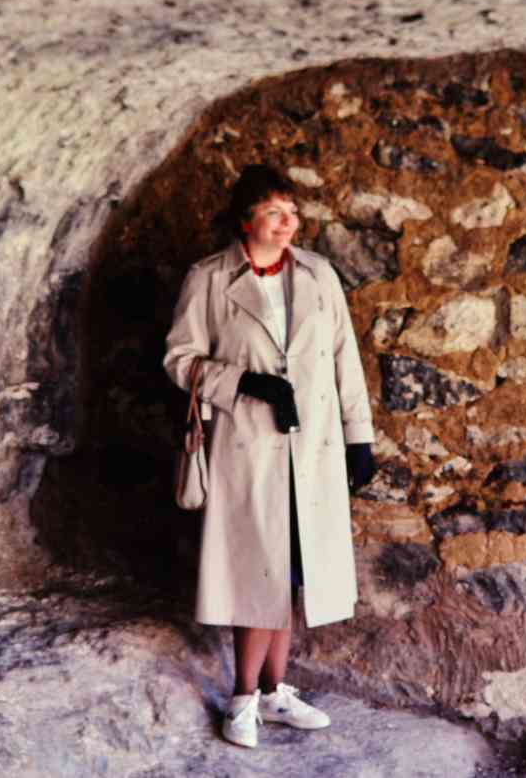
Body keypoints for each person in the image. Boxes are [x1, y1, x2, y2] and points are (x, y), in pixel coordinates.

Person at [162, 164, 377, 749]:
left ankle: (276, 691)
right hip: (247, 446)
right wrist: (245, 384)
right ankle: (243, 697)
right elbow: (179, 359)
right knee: (259, 570)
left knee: (292, 574)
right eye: (276, 213)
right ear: (246, 220)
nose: (289, 224)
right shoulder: (208, 279)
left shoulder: (318, 275)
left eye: (294, 213)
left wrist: (360, 437)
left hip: (311, 448)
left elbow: (344, 358)